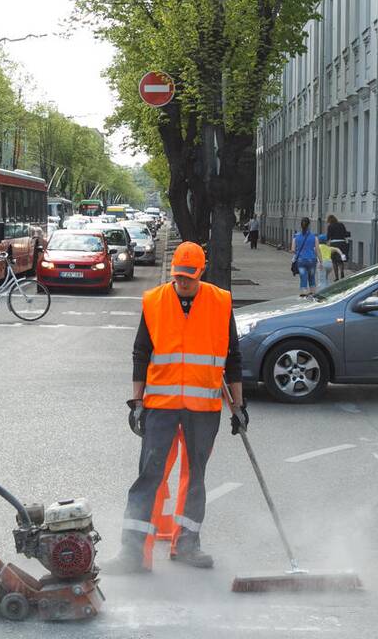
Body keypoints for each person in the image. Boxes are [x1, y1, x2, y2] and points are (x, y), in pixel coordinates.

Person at [105, 242, 245, 574]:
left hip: (203, 407)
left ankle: (187, 545)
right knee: (149, 476)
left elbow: (233, 358)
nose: (183, 282)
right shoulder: (154, 301)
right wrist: (137, 402)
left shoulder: (220, 302)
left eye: (189, 277)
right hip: (161, 407)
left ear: (201, 272)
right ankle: (133, 554)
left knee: (194, 477)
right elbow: (141, 353)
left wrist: (238, 406)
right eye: (178, 276)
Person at [291, 218, 320, 297]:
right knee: (312, 277)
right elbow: (317, 250)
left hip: (301, 260)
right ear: (309, 225)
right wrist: (321, 261)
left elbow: (293, 250)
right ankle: (313, 293)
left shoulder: (296, 237)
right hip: (312, 259)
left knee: (303, 277)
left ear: (301, 225)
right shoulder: (314, 237)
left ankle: (304, 293)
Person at [325, 215, 348, 280]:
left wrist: (326, 242)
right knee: (340, 260)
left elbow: (328, 236)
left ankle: (336, 277)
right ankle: (342, 272)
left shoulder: (330, 226)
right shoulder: (341, 225)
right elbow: (345, 234)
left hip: (334, 243)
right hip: (342, 243)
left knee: (334, 261)